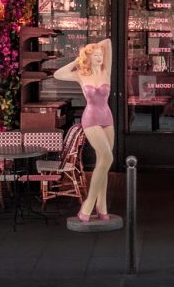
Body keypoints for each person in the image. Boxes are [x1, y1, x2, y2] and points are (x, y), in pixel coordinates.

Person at [53, 38, 113, 222]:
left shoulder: (105, 71)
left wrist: (96, 47)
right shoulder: (81, 74)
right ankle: (88, 205)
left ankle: (102, 207)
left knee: (104, 164)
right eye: (95, 55)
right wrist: (79, 59)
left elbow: (108, 42)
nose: (99, 57)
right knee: (107, 158)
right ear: (89, 57)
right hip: (91, 118)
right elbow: (57, 74)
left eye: (100, 55)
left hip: (107, 118)